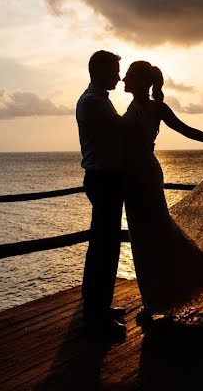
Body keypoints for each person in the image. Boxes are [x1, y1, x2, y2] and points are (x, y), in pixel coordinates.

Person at [120, 60, 203, 323]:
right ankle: (154, 299)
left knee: (159, 235)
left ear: (139, 81)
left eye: (127, 77)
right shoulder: (131, 107)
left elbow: (186, 130)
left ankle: (193, 286)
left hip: (146, 176)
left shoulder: (156, 108)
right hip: (131, 179)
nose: (123, 81)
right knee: (141, 240)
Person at [75, 50, 127, 336]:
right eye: (114, 71)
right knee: (104, 247)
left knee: (104, 245)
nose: (118, 77)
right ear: (100, 71)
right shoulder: (93, 103)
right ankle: (96, 313)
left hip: (106, 178)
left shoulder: (97, 101)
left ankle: (98, 306)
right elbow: (123, 131)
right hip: (103, 179)